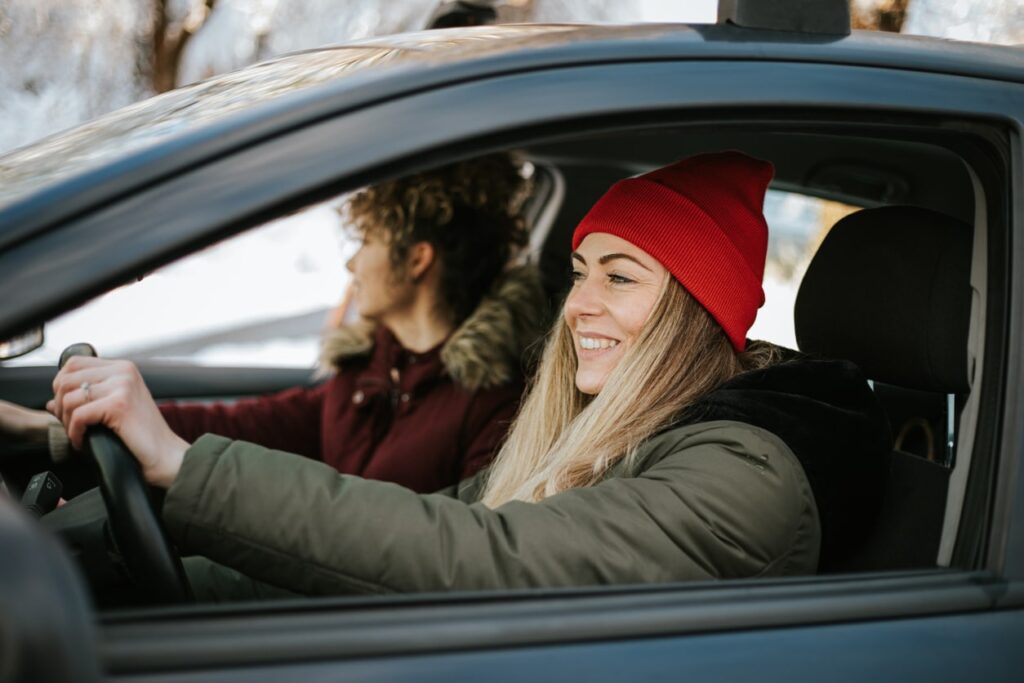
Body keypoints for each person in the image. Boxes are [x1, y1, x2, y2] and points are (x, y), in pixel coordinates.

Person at [48, 151, 890, 597]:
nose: (577, 305)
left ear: (691, 313)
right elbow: (437, 517)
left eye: (620, 276)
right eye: (580, 270)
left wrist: (184, 467)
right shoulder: (616, 431)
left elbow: (484, 557)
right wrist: (118, 558)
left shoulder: (745, 474)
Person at [3, 154, 547, 494]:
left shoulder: (497, 407)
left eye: (367, 243)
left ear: (418, 259)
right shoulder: (374, 367)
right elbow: (248, 424)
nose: (351, 264)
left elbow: (452, 552)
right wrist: (56, 431)